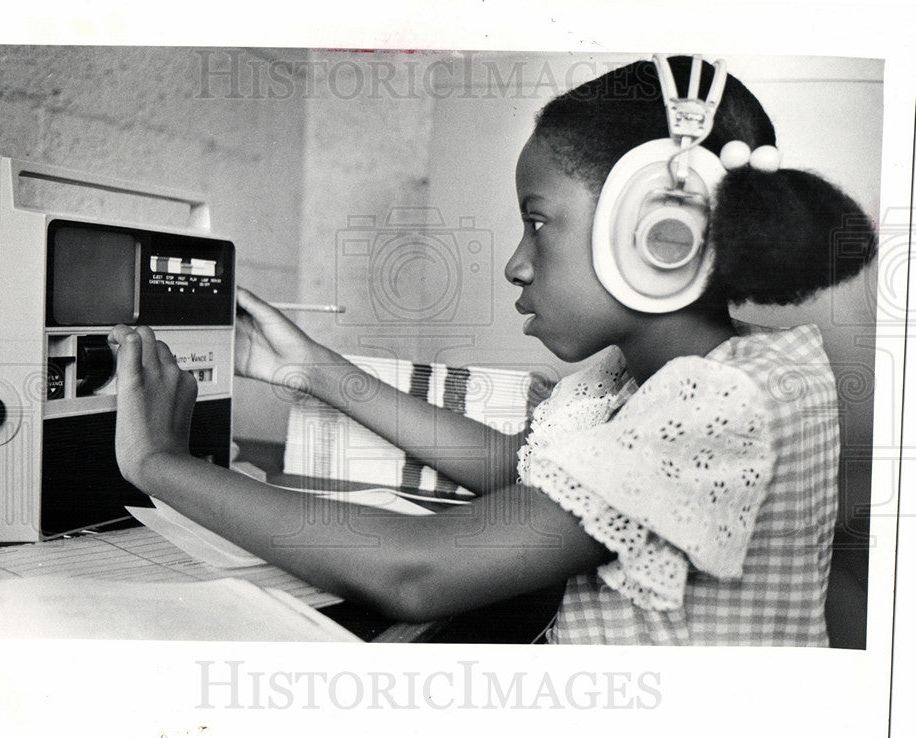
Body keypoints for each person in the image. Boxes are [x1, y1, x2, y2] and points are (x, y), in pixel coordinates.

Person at [109, 55, 875, 645]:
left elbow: (416, 574)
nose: (515, 261)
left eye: (537, 220)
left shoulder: (722, 404)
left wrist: (157, 463)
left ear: (655, 230)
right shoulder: (698, 368)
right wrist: (310, 370)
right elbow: (528, 472)